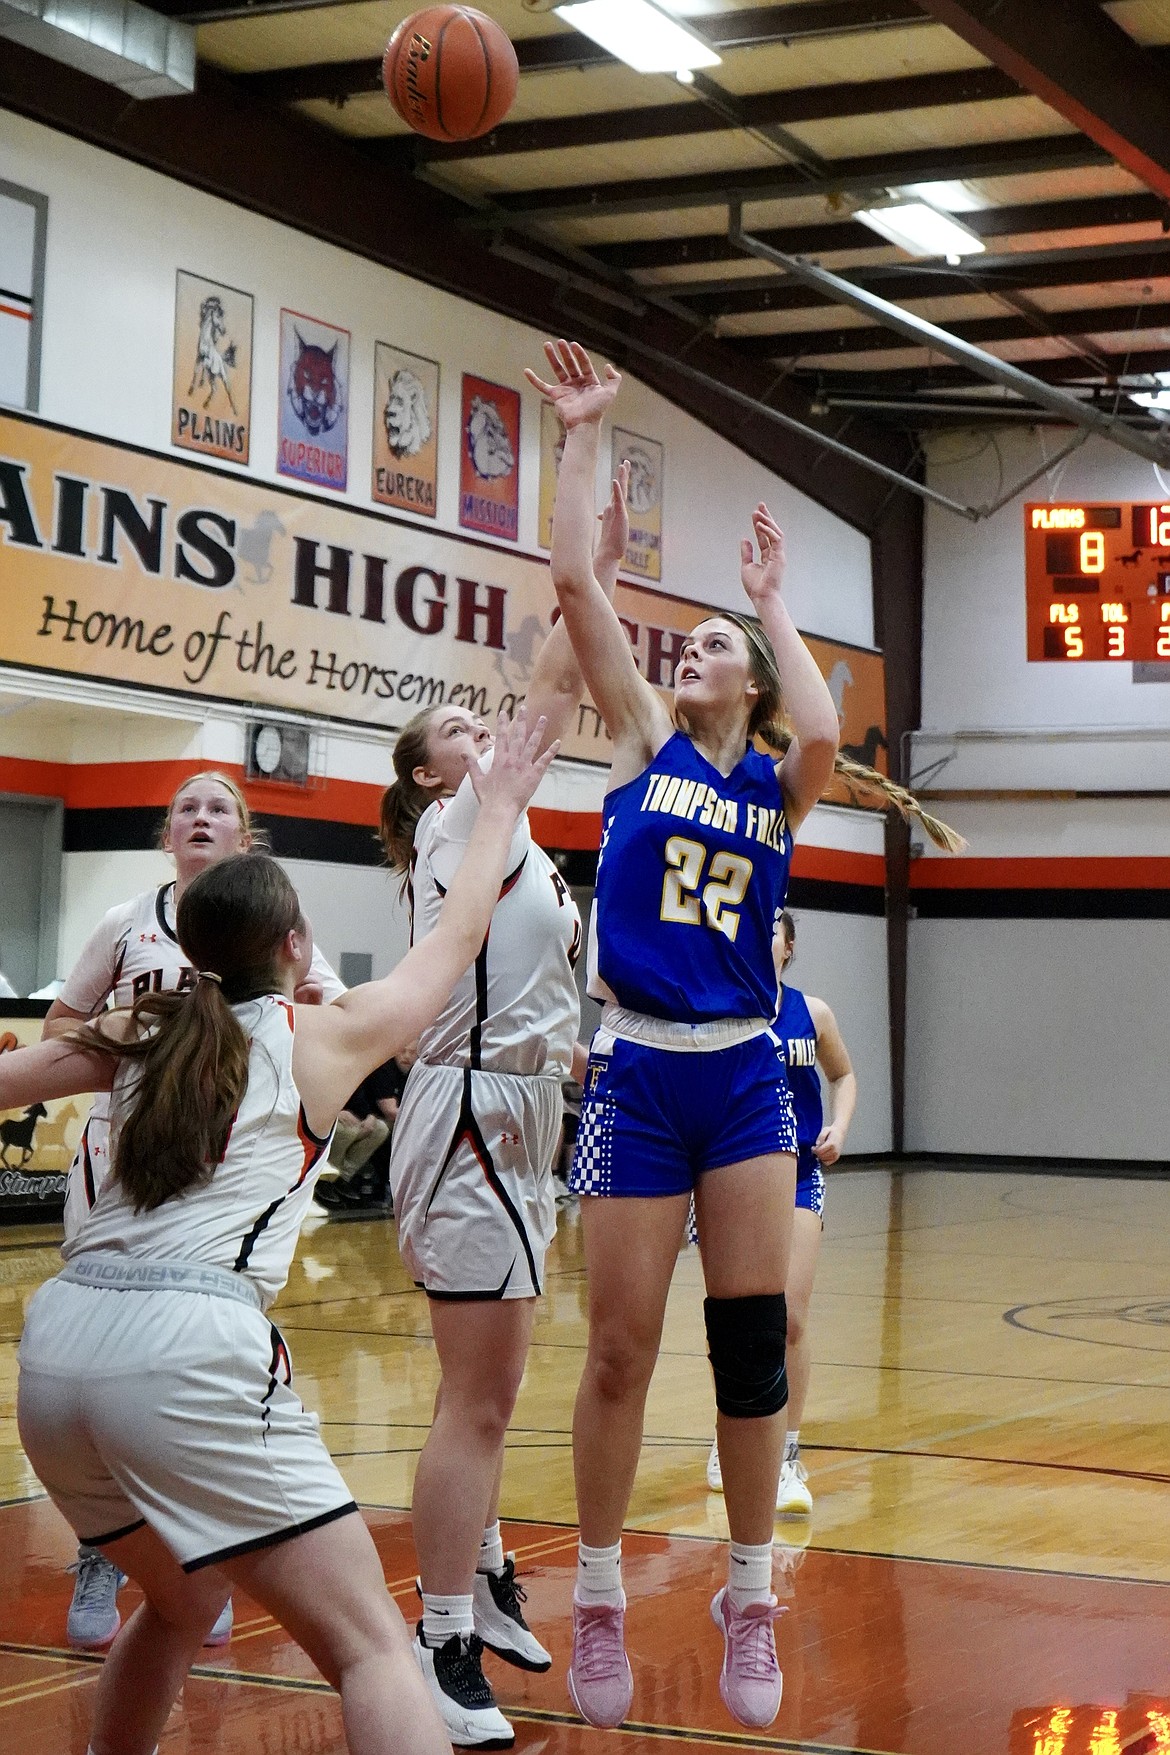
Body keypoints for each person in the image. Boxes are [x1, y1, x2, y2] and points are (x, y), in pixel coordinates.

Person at [527, 339, 961, 1733]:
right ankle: (595, 1588)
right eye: (695, 638)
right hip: (639, 1063)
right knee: (616, 1348)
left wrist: (773, 604)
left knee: (753, 1343)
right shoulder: (642, 741)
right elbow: (578, 584)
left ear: (745, 685)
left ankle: (751, 1588)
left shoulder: (779, 786)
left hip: (740, 1076)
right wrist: (582, 435)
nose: (687, 651)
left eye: (709, 644)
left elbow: (826, 724)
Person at [9, 709, 555, 1755]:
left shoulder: (133, 1027)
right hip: (186, 1349)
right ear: (295, 947)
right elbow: (460, 934)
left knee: (176, 1602)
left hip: (55, 1349)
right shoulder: (323, 1036)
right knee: (369, 1651)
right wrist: (503, 808)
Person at [377, 469, 629, 1749]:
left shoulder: (514, 827)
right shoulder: (457, 821)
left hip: (522, 1109)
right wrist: (580, 517)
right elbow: (559, 680)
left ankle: (472, 1575)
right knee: (475, 1397)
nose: (487, 731)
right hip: (472, 1109)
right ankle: (438, 1636)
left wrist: (603, 579)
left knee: (493, 1388)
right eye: (457, 729)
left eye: (484, 727)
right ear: (428, 775)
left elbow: (567, 678)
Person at [42, 770, 344, 1650]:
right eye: (188, 806)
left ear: (244, 838)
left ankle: (203, 1554)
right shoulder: (125, 922)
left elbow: (321, 1010)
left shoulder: (269, 931)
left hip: (231, 1170)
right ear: (165, 834)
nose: (202, 816)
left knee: (183, 1362)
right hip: (130, 1164)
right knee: (120, 1350)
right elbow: (64, 1024)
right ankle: (109, 1552)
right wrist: (135, 1042)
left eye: (220, 807)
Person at [706, 910, 857, 1515]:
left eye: (773, 926)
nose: (760, 932)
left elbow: (843, 1075)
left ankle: (787, 1458)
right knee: (737, 1318)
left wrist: (839, 1127)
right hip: (733, 1179)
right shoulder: (719, 1009)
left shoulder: (811, 1013)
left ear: (789, 948)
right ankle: (731, 1439)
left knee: (790, 1317)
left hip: (796, 1175)